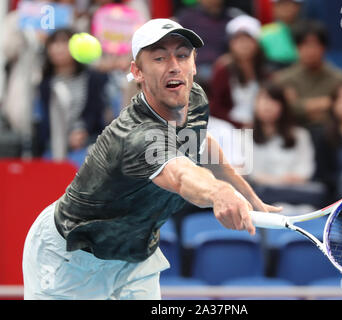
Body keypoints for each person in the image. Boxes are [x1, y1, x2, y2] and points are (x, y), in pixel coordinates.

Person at [22, 18, 281, 300]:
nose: (174, 65)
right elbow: (180, 175)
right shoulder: (135, 135)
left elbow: (201, 145)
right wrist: (219, 192)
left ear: (194, 63)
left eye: (182, 55)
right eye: (159, 57)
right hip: (72, 258)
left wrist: (248, 196)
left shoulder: (192, 97)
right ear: (138, 71)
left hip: (135, 253)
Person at [34, 28, 109, 166]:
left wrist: (82, 132)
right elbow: (43, 122)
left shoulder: (93, 78)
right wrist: (64, 138)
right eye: (54, 43)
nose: (58, 48)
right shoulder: (44, 84)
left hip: (88, 142)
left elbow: (96, 112)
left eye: (64, 42)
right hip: (54, 146)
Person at [244, 82, 325, 207]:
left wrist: (294, 179)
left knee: (318, 192)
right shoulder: (244, 135)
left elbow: (306, 168)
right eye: (262, 100)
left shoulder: (301, 134)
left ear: (283, 106)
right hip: (264, 190)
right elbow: (251, 173)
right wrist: (278, 181)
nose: (267, 105)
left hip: (296, 188)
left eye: (273, 101)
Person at [273, 20, 342, 129]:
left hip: (331, 135)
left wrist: (300, 105)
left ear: (324, 47)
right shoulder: (283, 79)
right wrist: (325, 103)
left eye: (314, 45)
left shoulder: (340, 79)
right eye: (303, 45)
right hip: (294, 136)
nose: (309, 51)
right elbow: (283, 109)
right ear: (296, 48)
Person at [209, 14, 269, 128]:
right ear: (231, 43)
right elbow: (215, 107)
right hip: (229, 128)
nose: (244, 44)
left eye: (248, 40)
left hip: (260, 128)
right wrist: (240, 124)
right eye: (238, 39)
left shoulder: (265, 72)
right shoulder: (223, 70)